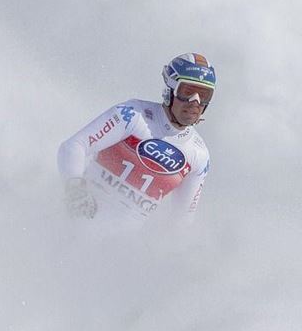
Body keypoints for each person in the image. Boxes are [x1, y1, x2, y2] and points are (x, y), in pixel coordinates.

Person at [57, 53, 216, 224]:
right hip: (80, 217)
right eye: (187, 92)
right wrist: (75, 190)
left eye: (204, 95)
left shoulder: (200, 155)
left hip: (120, 245)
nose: (195, 102)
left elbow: (182, 219)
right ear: (170, 90)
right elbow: (74, 146)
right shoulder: (133, 114)